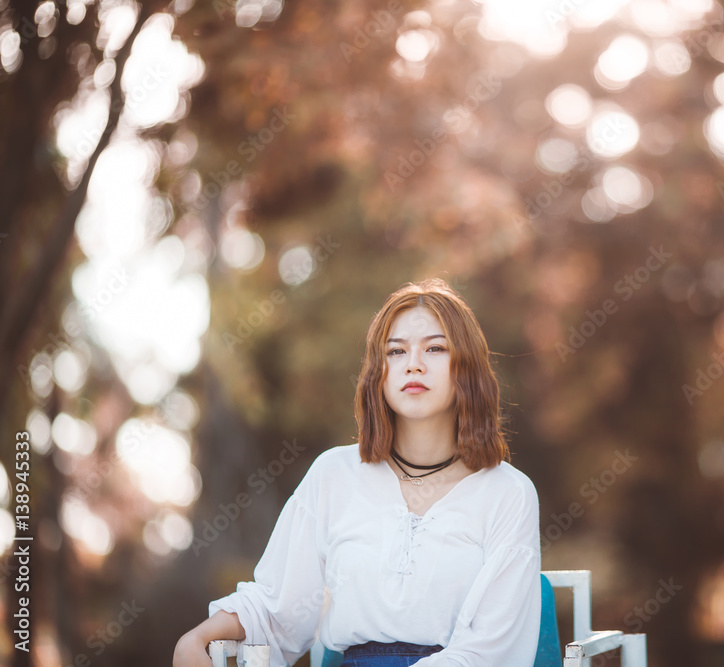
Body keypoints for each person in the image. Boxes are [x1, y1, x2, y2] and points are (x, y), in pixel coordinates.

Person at [173, 278, 542, 667]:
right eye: (396, 351)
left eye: (435, 348)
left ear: (466, 367)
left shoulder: (508, 493)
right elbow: (278, 607)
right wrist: (196, 638)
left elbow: (492, 650)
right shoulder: (334, 474)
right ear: (378, 373)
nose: (413, 363)